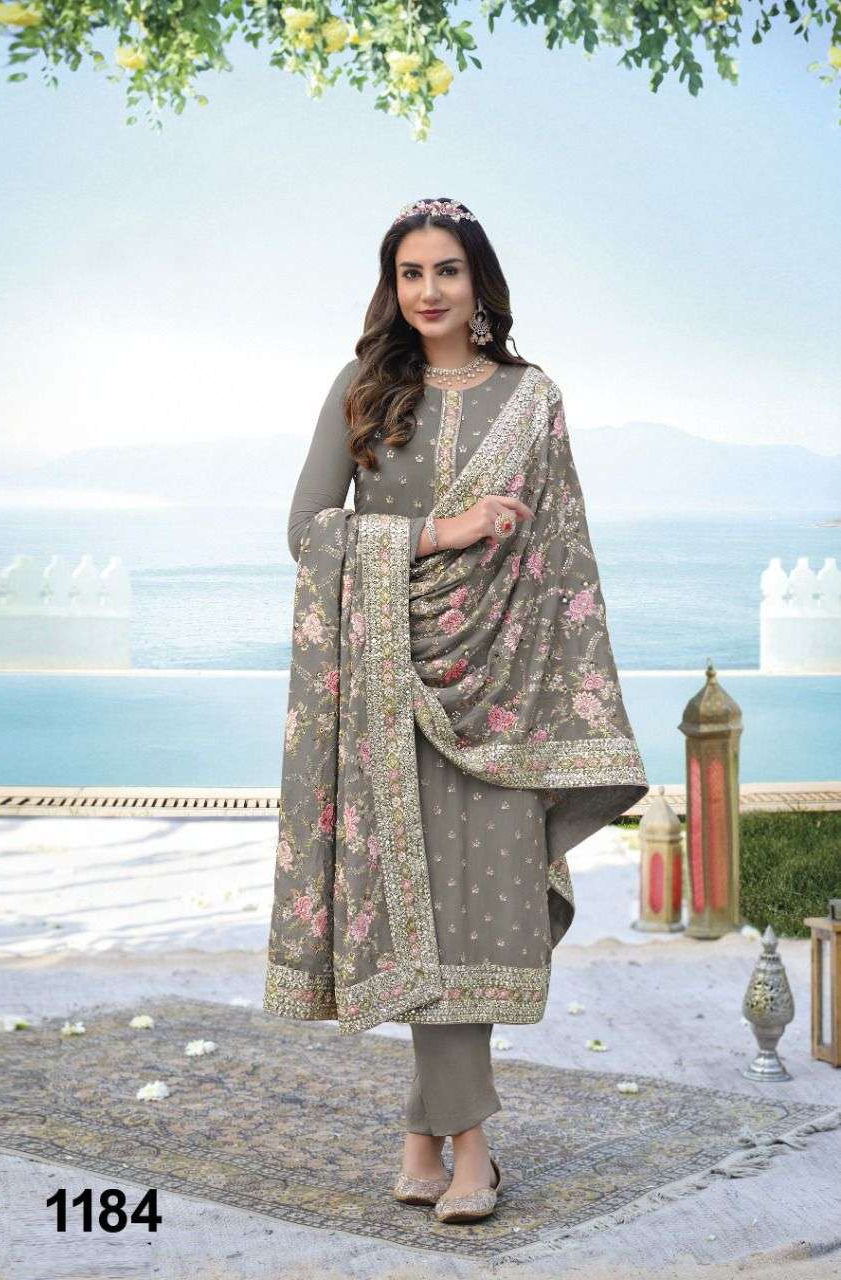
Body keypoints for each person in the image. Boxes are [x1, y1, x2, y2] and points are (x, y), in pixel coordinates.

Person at [263, 196, 649, 1225]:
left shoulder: (532, 398)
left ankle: (422, 1137)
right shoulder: (363, 387)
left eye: (446, 270)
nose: (427, 290)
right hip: (387, 690)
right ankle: (471, 1148)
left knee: (472, 922)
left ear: (478, 281)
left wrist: (564, 709)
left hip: (503, 697)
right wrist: (441, 532)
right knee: (417, 921)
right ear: (390, 287)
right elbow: (307, 530)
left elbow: (562, 560)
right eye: (409, 273)